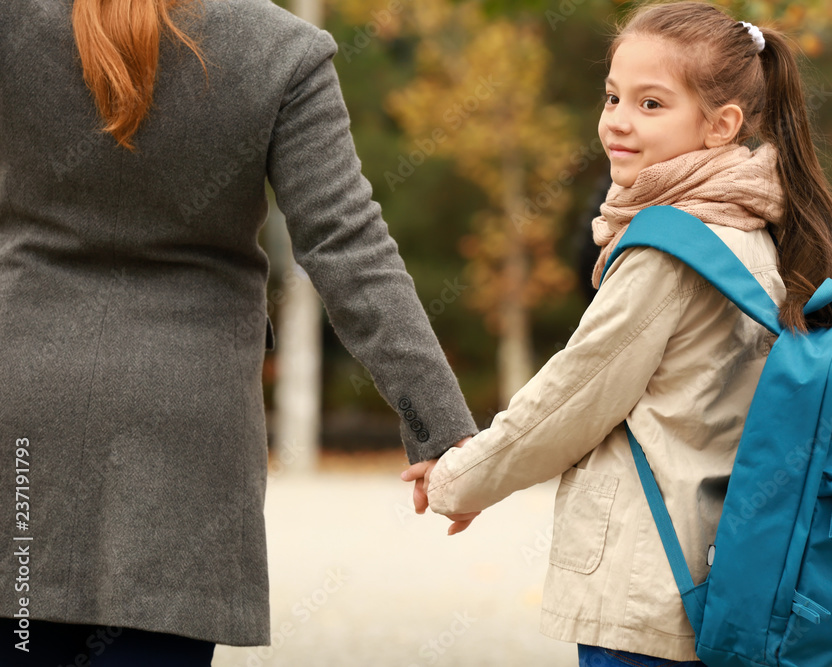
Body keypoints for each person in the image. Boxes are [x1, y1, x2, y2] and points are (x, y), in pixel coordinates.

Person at [0, 0, 477, 664]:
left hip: (21, 419)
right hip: (184, 438)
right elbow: (347, 245)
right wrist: (442, 426)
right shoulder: (281, 50)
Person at [403, 2, 832, 665]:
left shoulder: (670, 250)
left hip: (649, 589)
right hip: (715, 575)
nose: (618, 119)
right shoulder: (752, 236)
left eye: (651, 104)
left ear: (720, 125)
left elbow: (572, 398)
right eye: (613, 95)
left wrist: (457, 479)